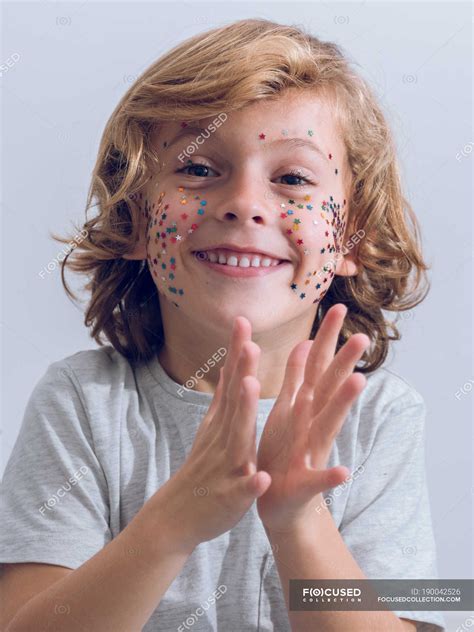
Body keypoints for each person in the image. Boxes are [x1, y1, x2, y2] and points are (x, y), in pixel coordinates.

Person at [0, 18, 445, 632]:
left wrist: (297, 517)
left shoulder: (383, 418)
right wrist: (174, 520)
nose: (245, 203)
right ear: (132, 217)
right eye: (199, 169)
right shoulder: (81, 403)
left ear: (354, 238)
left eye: (292, 178)